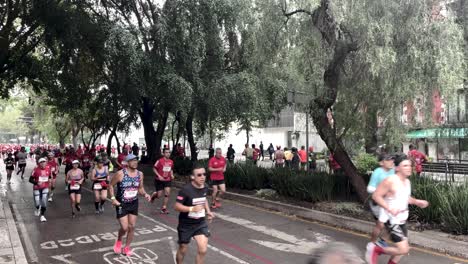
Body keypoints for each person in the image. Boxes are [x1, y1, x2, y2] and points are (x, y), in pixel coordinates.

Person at [367, 154, 429, 264]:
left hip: (401, 219)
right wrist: (389, 208)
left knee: (402, 252)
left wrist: (417, 202)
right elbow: (376, 196)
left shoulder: (407, 182)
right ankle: (375, 249)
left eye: (409, 165)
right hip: (392, 220)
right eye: (405, 165)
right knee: (403, 249)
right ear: (397, 168)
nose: (409, 168)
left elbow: (406, 198)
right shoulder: (390, 180)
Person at [109, 154, 151, 256]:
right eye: (132, 160)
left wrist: (145, 194)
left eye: (136, 160)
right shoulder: (120, 174)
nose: (135, 162)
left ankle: (126, 247)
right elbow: (110, 185)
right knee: (124, 228)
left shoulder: (140, 174)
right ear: (127, 163)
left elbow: (140, 188)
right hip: (121, 204)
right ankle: (119, 240)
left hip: (133, 203)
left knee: (132, 227)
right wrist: (113, 199)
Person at [174, 165, 215, 264]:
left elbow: (204, 199)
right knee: (183, 249)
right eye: (199, 175)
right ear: (193, 177)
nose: (203, 177)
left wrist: (208, 211)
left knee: (203, 250)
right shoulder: (185, 190)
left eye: (204, 174)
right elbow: (176, 206)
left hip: (200, 223)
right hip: (186, 224)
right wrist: (192, 208)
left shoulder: (205, 186)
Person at [366, 154, 395, 249]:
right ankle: (372, 243)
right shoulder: (377, 172)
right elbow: (370, 188)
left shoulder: (393, 171)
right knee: (381, 224)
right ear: (381, 163)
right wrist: (383, 192)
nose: (391, 161)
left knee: (393, 224)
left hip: (389, 202)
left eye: (392, 160)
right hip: (377, 202)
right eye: (388, 160)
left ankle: (382, 241)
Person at [150, 149, 174, 214]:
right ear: (163, 153)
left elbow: (171, 169)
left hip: (167, 179)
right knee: (159, 195)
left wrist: (171, 175)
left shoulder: (171, 161)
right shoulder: (159, 161)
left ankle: (164, 208)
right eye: (166, 152)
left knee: (167, 193)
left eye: (169, 152)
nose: (168, 154)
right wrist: (159, 176)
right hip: (159, 180)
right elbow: (154, 168)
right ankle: (154, 195)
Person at [30, 158, 51, 222]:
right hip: (36, 188)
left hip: (45, 187)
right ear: (39, 164)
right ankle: (37, 208)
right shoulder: (35, 170)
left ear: (46, 163)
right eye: (41, 162)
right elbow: (30, 180)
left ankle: (42, 215)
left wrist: (50, 181)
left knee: (44, 201)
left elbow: (49, 177)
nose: (43, 163)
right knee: (37, 203)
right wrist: (36, 183)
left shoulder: (48, 169)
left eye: (44, 162)